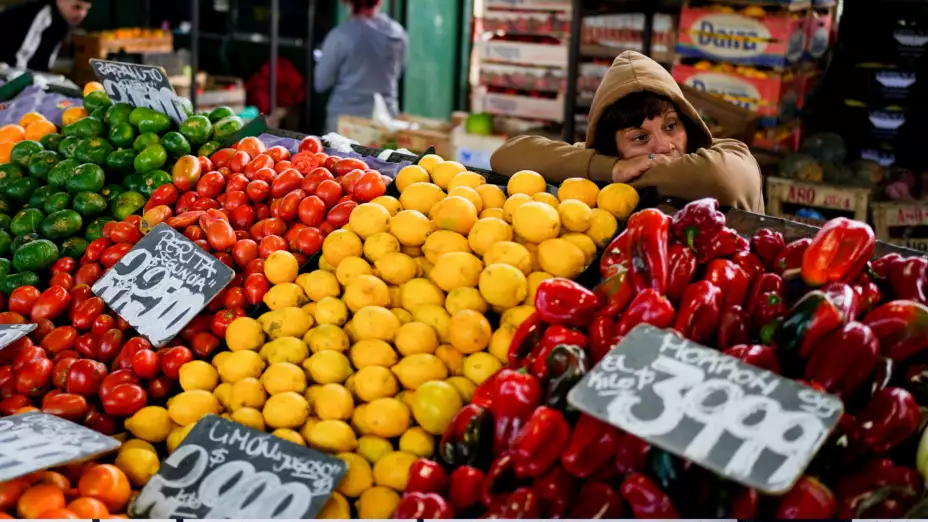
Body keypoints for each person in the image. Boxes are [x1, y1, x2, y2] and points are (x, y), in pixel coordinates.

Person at [491, 51, 764, 212]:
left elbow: (720, 179)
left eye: (671, 126)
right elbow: (506, 156)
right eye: (640, 137)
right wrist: (611, 169)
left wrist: (621, 176)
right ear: (612, 147)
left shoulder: (731, 153)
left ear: (688, 122)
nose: (665, 145)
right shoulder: (607, 161)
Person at [314, 0, 408, 134]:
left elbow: (321, 83)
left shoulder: (341, 35)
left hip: (345, 126)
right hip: (386, 123)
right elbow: (397, 73)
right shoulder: (398, 33)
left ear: (348, 3)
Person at [0, 0, 92, 72]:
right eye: (77, 7)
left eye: (86, 9)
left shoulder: (63, 21)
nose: (82, 14)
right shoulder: (40, 14)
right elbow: (22, 57)